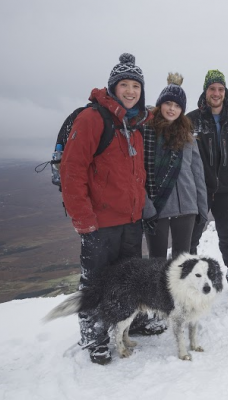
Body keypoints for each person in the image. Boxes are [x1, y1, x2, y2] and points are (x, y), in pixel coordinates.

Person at [60, 53, 155, 365]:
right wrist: (83, 219)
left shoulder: (136, 125)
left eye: (136, 86)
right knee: (95, 281)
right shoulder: (91, 119)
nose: (130, 91)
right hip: (99, 223)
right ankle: (93, 337)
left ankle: (130, 321)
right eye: (124, 85)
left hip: (131, 219)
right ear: (113, 87)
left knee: (129, 278)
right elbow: (72, 171)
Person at [187, 70, 228, 281]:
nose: (216, 93)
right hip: (198, 190)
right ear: (205, 91)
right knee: (191, 237)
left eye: (220, 89)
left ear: (225, 92)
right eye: (212, 88)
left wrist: (227, 172)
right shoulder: (191, 120)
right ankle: (190, 276)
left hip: (226, 190)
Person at [142, 73, 208, 261]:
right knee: (157, 260)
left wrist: (202, 207)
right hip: (157, 206)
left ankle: (179, 292)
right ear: (160, 104)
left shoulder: (187, 136)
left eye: (177, 105)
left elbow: (197, 174)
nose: (172, 109)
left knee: (183, 261)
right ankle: (157, 291)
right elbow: (140, 172)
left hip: (186, 206)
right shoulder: (147, 133)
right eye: (168, 103)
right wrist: (146, 207)